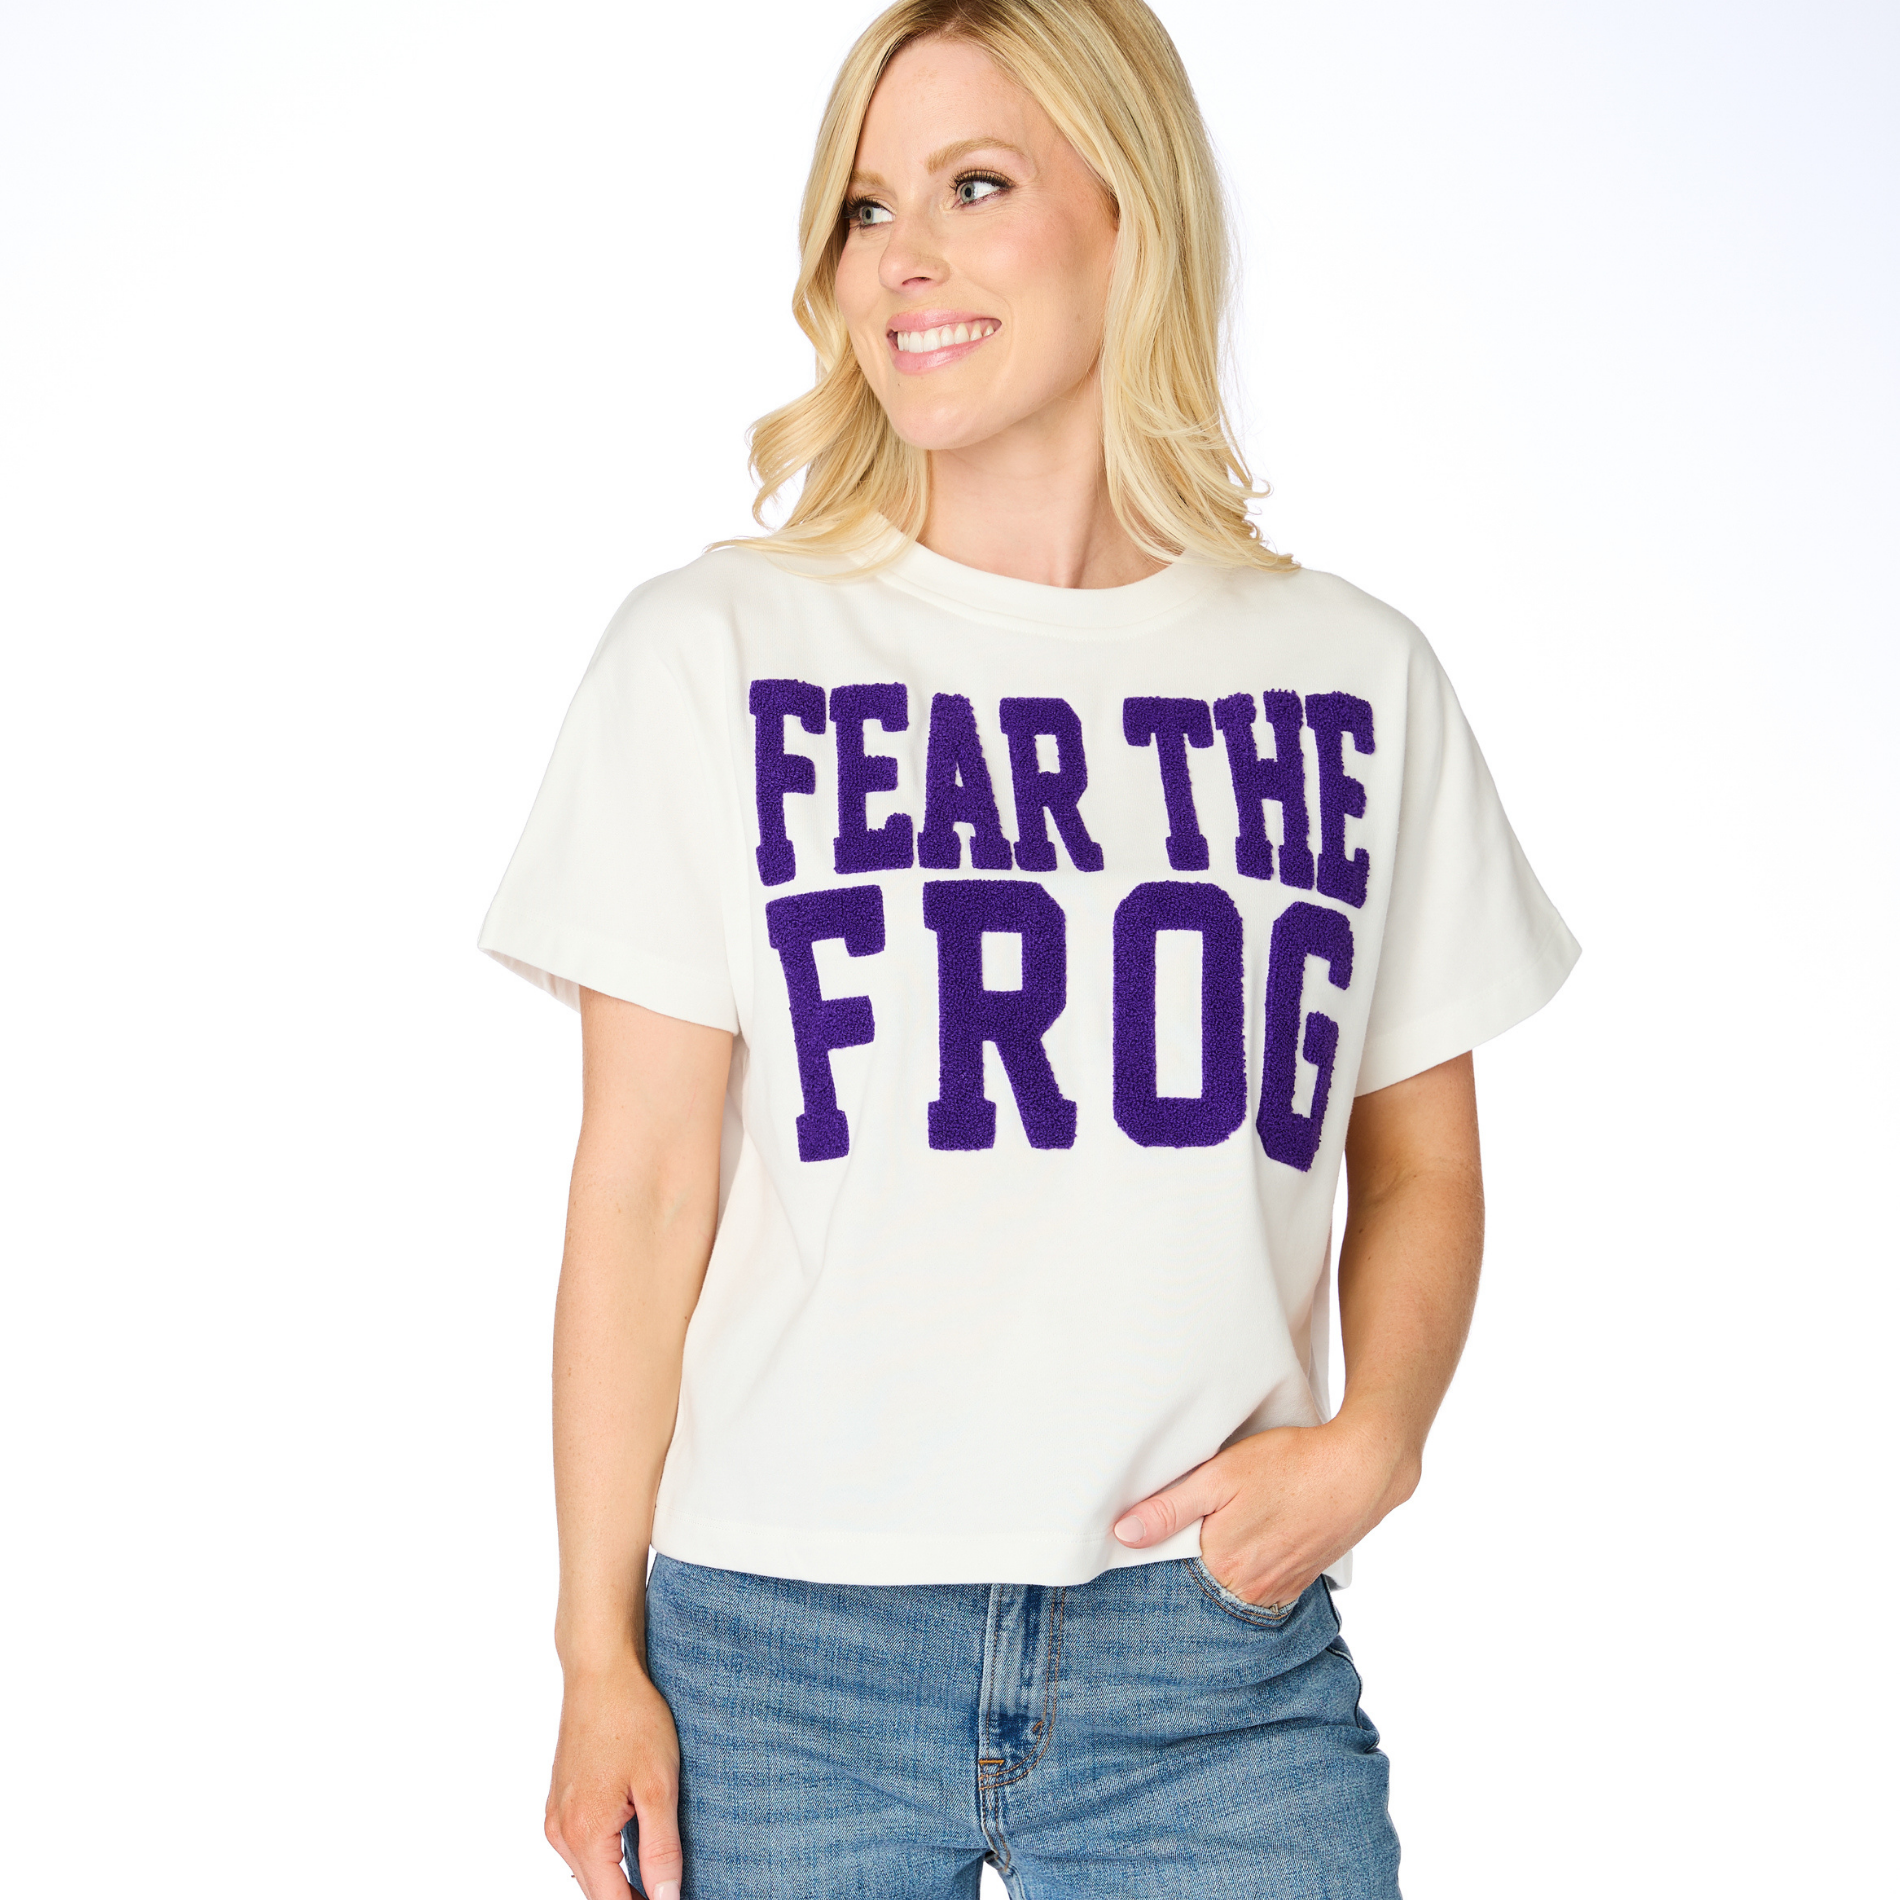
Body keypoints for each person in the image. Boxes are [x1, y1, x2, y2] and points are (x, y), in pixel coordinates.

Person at [478, 0, 1579, 1893]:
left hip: (1207, 1656)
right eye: (866, 207)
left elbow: (1423, 1165)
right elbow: (642, 1189)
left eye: (974, 187)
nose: (900, 258)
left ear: (1129, 210)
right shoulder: (713, 653)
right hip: (779, 1663)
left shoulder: (1349, 679)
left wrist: (1377, 1440)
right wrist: (595, 1654)